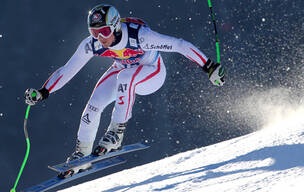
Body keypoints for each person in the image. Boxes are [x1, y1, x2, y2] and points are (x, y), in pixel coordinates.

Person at [24, 4, 225, 177]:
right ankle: (82, 155)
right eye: (94, 32)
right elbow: (68, 69)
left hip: (152, 74)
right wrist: (44, 92)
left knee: (126, 77)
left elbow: (179, 45)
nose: (100, 38)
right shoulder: (93, 44)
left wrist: (209, 67)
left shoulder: (140, 36)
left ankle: (116, 133)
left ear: (115, 26)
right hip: (122, 70)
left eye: (103, 31)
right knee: (93, 106)